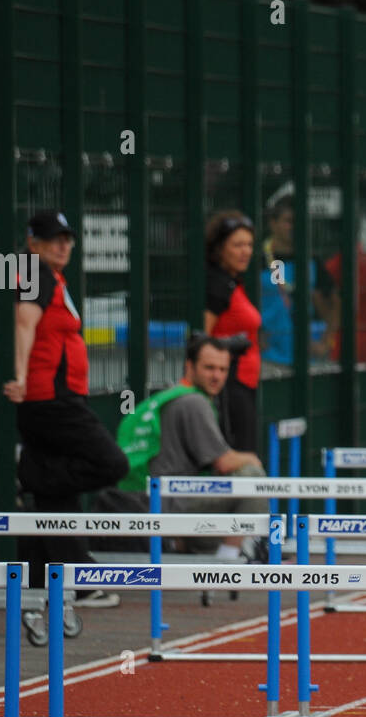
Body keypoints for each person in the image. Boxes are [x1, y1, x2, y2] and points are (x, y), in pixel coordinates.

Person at [3, 209, 129, 605]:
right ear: (33, 243)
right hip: (50, 399)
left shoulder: (51, 276)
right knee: (112, 464)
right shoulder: (35, 272)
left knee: (58, 502)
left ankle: (64, 578)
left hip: (56, 397)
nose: (63, 245)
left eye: (67, 238)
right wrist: (21, 377)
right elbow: (24, 322)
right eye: (54, 238)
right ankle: (30, 473)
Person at [107, 335, 268, 560]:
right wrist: (251, 458)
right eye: (209, 368)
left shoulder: (168, 397)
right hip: (166, 502)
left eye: (223, 369)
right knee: (252, 478)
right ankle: (229, 559)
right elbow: (223, 462)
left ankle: (189, 547)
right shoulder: (194, 402)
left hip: (144, 496)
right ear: (189, 366)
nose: (217, 376)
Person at [203, 211, 262, 453]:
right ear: (219, 249)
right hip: (228, 385)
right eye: (237, 245)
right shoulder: (218, 285)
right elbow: (202, 338)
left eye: (249, 244)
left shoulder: (232, 282)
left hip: (244, 383)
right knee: (240, 454)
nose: (245, 251)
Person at [258, 197, 339, 366]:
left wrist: (326, 342)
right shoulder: (257, 260)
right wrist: (255, 336)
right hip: (267, 358)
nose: (294, 227)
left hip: (306, 359)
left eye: (298, 221)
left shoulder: (311, 260)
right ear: (272, 223)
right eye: (288, 221)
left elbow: (335, 303)